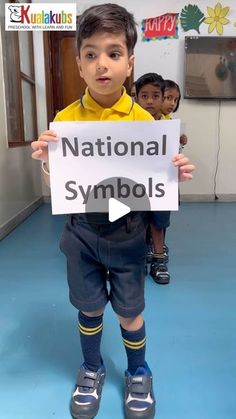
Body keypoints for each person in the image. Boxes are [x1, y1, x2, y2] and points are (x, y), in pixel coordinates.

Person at [31, 4, 195, 419]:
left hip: (127, 233)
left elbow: (157, 187)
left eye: (113, 53)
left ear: (130, 63)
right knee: (88, 307)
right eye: (90, 54)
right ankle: (92, 367)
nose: (101, 63)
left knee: (130, 310)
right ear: (79, 65)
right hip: (82, 232)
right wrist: (48, 162)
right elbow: (60, 189)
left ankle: (139, 371)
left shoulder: (147, 123)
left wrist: (174, 172)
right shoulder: (64, 121)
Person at [135, 73, 171, 285]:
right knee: (136, 223)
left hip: (160, 183)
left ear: (163, 98)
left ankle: (158, 259)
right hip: (136, 184)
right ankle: (138, 259)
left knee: (158, 223)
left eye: (155, 96)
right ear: (137, 98)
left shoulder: (168, 125)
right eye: (144, 96)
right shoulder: (130, 122)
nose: (149, 101)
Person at [161, 79, 188, 151]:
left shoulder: (170, 121)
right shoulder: (152, 118)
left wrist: (180, 141)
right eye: (169, 98)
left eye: (176, 100)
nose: (173, 103)